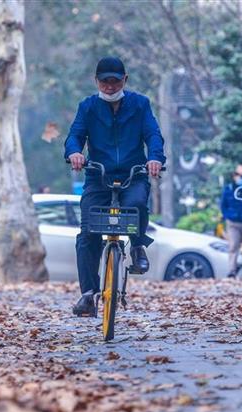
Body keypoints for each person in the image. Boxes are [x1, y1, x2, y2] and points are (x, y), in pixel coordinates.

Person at [64, 56, 166, 316]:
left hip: (134, 172)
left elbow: (153, 134)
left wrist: (155, 157)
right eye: (104, 82)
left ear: (125, 80)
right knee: (88, 233)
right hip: (98, 175)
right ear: (96, 81)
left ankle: (138, 245)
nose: (109, 87)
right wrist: (75, 153)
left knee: (136, 204)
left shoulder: (140, 104)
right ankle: (88, 294)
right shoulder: (87, 107)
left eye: (115, 81)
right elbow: (75, 136)